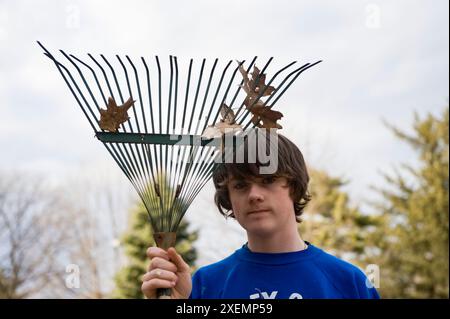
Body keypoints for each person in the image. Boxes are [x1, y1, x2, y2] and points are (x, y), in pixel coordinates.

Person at [142, 130, 380, 299]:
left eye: (267, 180)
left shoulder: (350, 282)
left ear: (295, 187)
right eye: (240, 186)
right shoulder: (204, 286)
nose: (254, 195)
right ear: (229, 200)